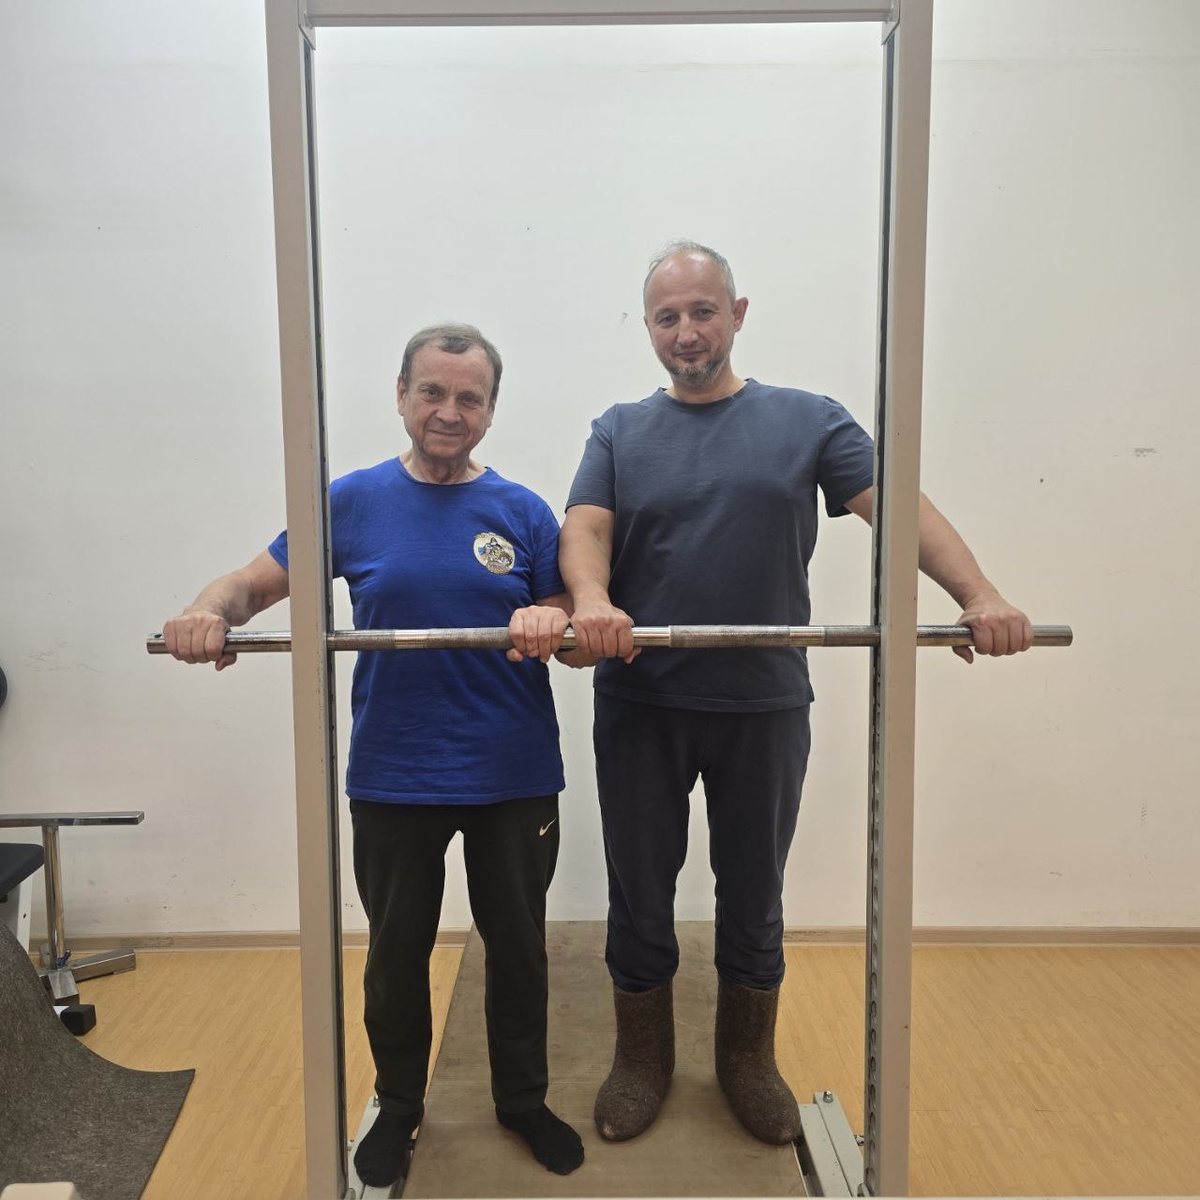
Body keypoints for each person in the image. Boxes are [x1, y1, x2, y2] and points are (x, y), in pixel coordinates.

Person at [557, 242, 1033, 1146]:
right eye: (667, 317)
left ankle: (746, 1058)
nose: (686, 331)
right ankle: (643, 1057)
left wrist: (978, 595)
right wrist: (590, 599)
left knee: (753, 890)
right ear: (648, 328)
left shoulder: (808, 420)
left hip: (762, 703)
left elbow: (901, 509)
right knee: (640, 890)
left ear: (737, 315)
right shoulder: (619, 429)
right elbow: (585, 528)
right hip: (641, 704)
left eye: (703, 311)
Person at [161, 323, 584, 1187]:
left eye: (469, 398)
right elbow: (249, 585)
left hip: (512, 774)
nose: (448, 411)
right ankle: (398, 1104)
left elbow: (571, 629)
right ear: (400, 396)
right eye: (432, 392)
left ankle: (521, 1100)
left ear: (490, 412)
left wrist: (556, 619)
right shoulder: (351, 503)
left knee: (518, 950)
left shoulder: (524, 512)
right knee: (396, 956)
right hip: (396, 773)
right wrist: (207, 612)